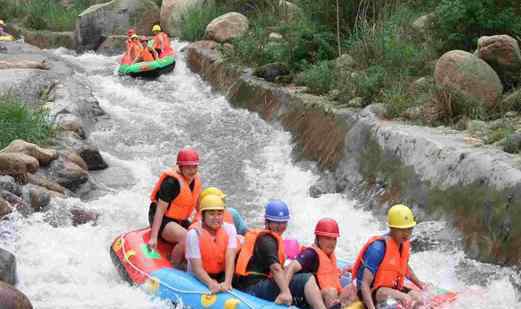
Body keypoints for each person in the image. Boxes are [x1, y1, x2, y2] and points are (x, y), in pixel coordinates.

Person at [234, 200, 328, 309]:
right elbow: (275, 269)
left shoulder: (268, 238)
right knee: (306, 279)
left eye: (284, 222)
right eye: (277, 223)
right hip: (253, 288)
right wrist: (285, 292)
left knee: (301, 275)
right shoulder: (267, 240)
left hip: (255, 284)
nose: (281, 226)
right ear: (267, 222)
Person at [352, 204, 426, 309]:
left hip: (391, 289)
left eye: (409, 229)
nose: (406, 234)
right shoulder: (377, 248)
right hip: (372, 291)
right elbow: (364, 284)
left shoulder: (403, 244)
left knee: (419, 299)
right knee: (405, 298)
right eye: (402, 230)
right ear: (392, 228)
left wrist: (420, 284)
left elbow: (404, 267)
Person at [147, 147, 202, 267]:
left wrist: (203, 227)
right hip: (163, 219)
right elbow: (160, 211)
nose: (192, 171)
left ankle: (190, 264)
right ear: (180, 167)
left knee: (198, 237)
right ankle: (174, 265)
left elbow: (199, 207)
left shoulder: (195, 180)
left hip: (180, 219)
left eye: (194, 167)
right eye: (188, 167)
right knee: (186, 237)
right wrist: (153, 237)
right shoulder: (171, 183)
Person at [286, 218, 356, 309]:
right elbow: (291, 267)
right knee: (331, 292)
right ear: (318, 238)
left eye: (334, 239)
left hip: (330, 296)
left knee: (353, 288)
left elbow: (329, 275)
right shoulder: (311, 254)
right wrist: (285, 291)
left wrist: (342, 272)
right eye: (327, 238)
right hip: (311, 298)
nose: (332, 243)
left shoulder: (329, 255)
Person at [186, 194, 238, 293]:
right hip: (197, 277)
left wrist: (227, 282)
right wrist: (210, 283)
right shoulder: (193, 234)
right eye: (211, 214)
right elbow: (196, 268)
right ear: (203, 215)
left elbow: (230, 256)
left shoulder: (230, 229)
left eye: (219, 214)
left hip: (221, 274)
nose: (216, 218)